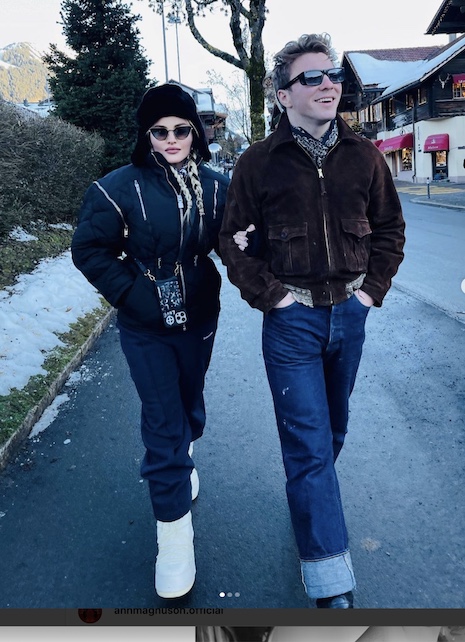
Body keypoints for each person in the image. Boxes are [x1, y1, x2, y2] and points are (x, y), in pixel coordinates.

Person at [219, 33, 405, 607]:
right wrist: (271, 297)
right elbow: (231, 240)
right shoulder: (258, 163)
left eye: (332, 76)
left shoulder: (366, 157)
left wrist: (370, 295)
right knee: (307, 443)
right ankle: (330, 578)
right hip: (292, 321)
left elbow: (391, 232)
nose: (329, 84)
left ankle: (309, 495)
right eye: (312, 77)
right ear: (282, 95)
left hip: (350, 314)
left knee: (332, 432)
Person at [71, 83, 229, 599]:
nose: (171, 139)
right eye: (159, 131)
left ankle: (184, 453)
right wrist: (133, 295)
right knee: (162, 419)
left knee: (188, 405)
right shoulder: (117, 188)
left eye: (181, 129)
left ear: (196, 133)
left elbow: (238, 239)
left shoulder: (216, 185)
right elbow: (89, 248)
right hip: (146, 326)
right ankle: (174, 539)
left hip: (200, 317)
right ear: (147, 135)